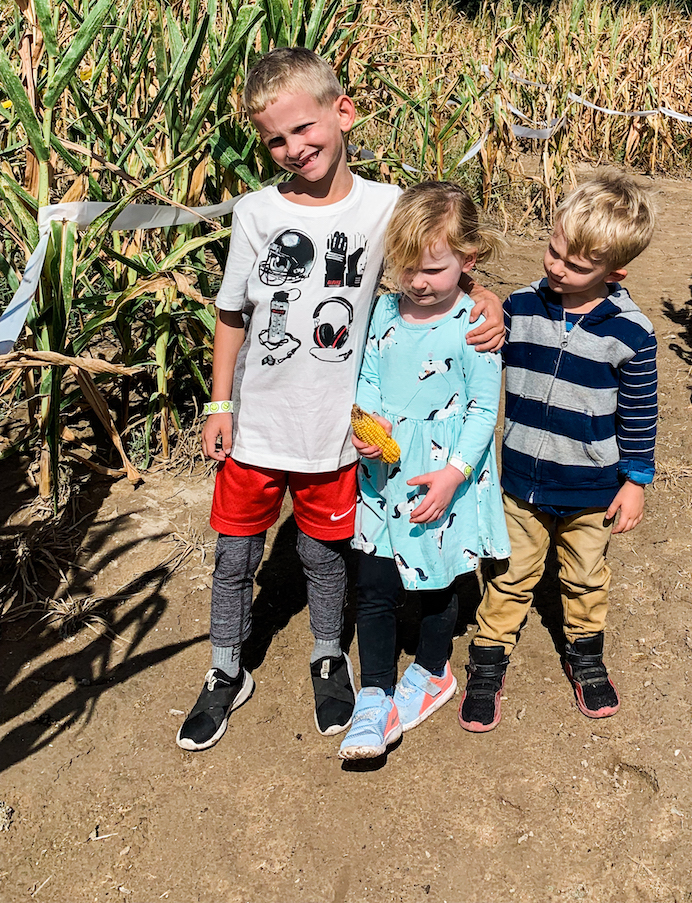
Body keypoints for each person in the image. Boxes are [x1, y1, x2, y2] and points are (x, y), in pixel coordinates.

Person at [176, 49, 502, 752]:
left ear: (343, 112)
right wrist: (218, 404)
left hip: (336, 431)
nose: (293, 148)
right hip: (258, 423)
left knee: (325, 554)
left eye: (303, 128)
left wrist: (485, 295)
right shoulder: (256, 212)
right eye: (275, 139)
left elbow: (439, 253)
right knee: (235, 554)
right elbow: (231, 313)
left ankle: (329, 655)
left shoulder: (385, 206)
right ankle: (227, 667)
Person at [459, 170, 657, 733]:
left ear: (614, 273)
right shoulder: (521, 307)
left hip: (592, 487)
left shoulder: (631, 333)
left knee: (586, 575)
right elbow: (477, 333)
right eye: (553, 250)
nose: (556, 267)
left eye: (575, 265)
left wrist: (635, 481)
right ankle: (488, 657)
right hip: (521, 477)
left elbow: (640, 414)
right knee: (510, 573)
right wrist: (481, 295)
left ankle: (586, 654)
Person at [338, 181, 510, 759]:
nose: (417, 281)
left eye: (433, 269)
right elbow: (367, 378)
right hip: (383, 476)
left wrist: (454, 474)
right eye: (407, 266)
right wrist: (369, 426)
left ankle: (434, 669)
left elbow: (483, 409)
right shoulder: (384, 312)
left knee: (439, 583)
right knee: (374, 584)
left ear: (469, 260)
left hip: (443, 477)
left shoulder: (474, 325)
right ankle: (375, 693)